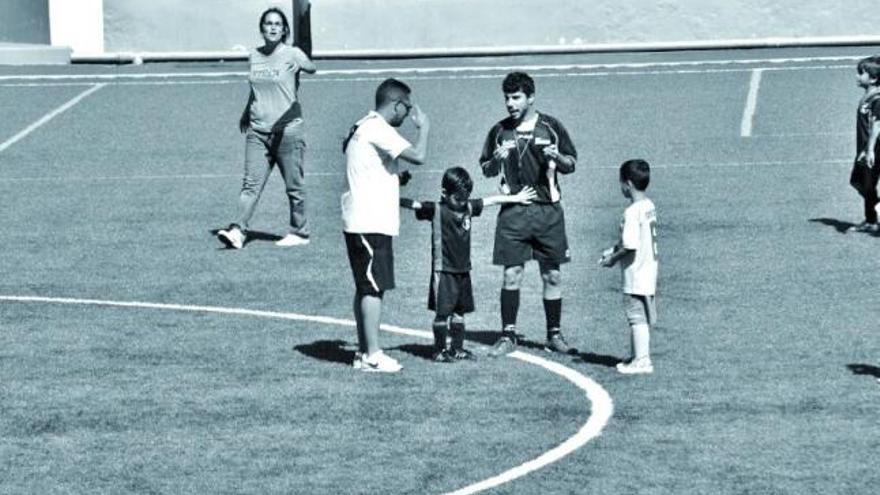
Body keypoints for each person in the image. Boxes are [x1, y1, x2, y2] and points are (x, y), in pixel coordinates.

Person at [478, 71, 578, 357]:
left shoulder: (551, 126)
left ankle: (554, 336)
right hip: (514, 214)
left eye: (516, 97)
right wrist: (495, 161)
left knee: (552, 276)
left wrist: (557, 157)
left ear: (531, 98)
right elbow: (486, 168)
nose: (510, 103)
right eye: (507, 98)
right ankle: (508, 335)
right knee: (512, 274)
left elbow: (571, 163)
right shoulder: (499, 131)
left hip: (548, 212)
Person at [400, 167, 537, 362]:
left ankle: (456, 348)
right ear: (444, 193)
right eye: (458, 199)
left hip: (464, 270)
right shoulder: (435, 209)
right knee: (442, 313)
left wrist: (515, 198)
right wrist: (386, 194)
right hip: (444, 270)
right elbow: (412, 205)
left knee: (459, 313)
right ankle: (439, 350)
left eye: (465, 198)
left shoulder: (468, 207)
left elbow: (491, 201)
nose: (462, 203)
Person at [342, 78, 430, 373]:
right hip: (371, 221)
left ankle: (364, 350)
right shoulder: (379, 128)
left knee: (365, 287)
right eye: (406, 108)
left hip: (361, 219)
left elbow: (369, 166)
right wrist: (425, 128)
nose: (407, 115)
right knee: (373, 288)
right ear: (395, 104)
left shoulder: (362, 125)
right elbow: (418, 156)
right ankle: (373, 355)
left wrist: (396, 177)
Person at [218, 7, 317, 249]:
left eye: (277, 24)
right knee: (250, 184)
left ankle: (300, 232)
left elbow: (312, 67)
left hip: (287, 131)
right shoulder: (254, 55)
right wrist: (246, 112)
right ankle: (238, 230)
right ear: (262, 28)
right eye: (268, 23)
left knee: (294, 186)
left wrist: (302, 65)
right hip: (257, 131)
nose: (272, 27)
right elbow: (256, 89)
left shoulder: (292, 53)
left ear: (284, 30)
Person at [599, 159, 658, 375]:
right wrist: (612, 248)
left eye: (621, 183)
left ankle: (642, 361)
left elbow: (630, 247)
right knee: (640, 316)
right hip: (648, 270)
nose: (621, 187)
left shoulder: (631, 212)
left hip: (635, 273)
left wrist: (612, 259)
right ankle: (636, 356)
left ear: (629, 184)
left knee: (636, 317)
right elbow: (634, 239)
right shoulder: (649, 206)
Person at [848, 56, 880, 233]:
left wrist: (869, 150)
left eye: (861, 73)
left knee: (867, 184)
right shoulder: (868, 97)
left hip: (874, 149)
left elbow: (877, 125)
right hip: (865, 148)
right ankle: (872, 219)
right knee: (858, 182)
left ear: (874, 79)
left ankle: (872, 220)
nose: (857, 76)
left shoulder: (877, 98)